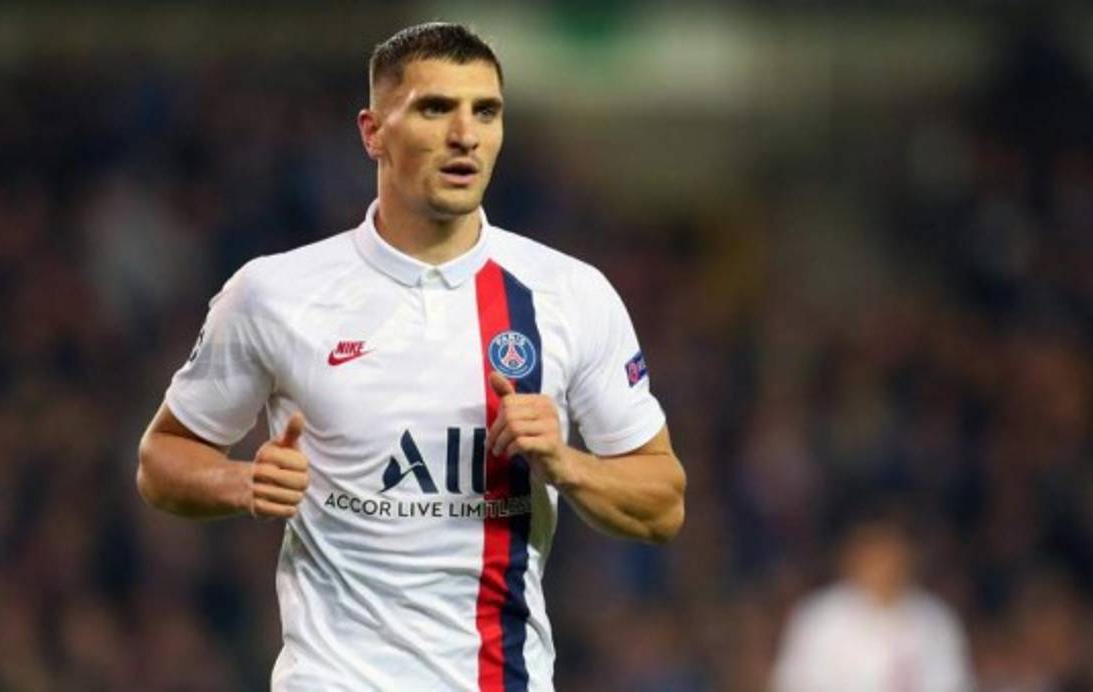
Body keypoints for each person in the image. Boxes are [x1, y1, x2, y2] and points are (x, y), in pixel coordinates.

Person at [136, 22, 686, 691]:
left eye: (486, 111)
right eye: (435, 108)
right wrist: (242, 483)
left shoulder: (569, 294)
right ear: (373, 132)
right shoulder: (274, 294)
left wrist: (566, 464)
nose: (465, 134)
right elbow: (161, 460)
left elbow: (664, 503)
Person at [768, 511, 973, 692]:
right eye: (873, 554)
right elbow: (794, 684)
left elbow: (953, 684)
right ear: (852, 557)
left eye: (890, 553)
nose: (883, 565)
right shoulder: (821, 617)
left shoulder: (935, 620)